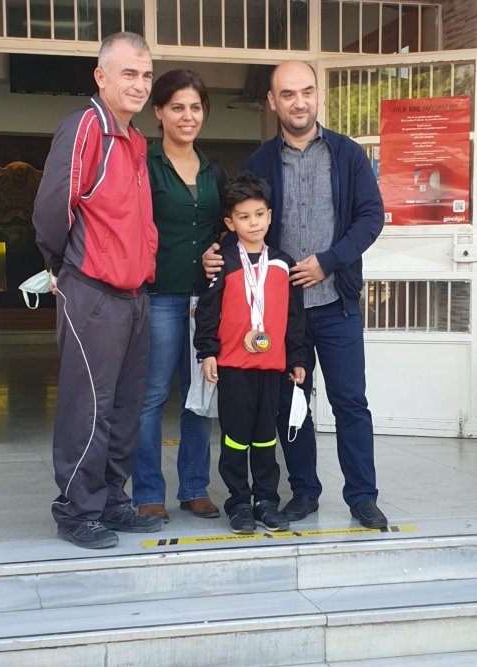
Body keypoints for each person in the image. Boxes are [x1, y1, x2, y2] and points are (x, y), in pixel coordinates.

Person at [203, 60, 387, 529]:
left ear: (317, 94)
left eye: (306, 91)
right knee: (292, 403)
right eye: (288, 94)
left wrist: (330, 259)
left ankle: (362, 496)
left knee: (350, 402)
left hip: (337, 303)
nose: (299, 102)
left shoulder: (347, 154)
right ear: (272, 101)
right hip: (282, 315)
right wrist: (217, 252)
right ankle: (304, 491)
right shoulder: (260, 161)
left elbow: (371, 216)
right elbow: (244, 220)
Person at [33, 32, 163, 549]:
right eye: (129, 73)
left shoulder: (135, 139)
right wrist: (64, 266)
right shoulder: (85, 126)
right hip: (92, 291)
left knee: (124, 407)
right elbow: (52, 209)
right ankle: (76, 510)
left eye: (146, 75)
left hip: (134, 296)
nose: (140, 84)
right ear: (101, 76)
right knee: (88, 405)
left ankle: (111, 501)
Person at [131, 69, 228, 523]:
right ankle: (148, 492)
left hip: (204, 300)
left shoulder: (214, 171)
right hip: (158, 296)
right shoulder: (144, 165)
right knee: (151, 397)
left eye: (195, 107)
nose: (187, 117)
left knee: (200, 393)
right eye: (177, 107)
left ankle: (194, 488)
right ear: (158, 111)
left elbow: (226, 229)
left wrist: (217, 250)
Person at [194, 172, 307, 534]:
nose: (253, 223)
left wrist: (297, 357)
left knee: (266, 435)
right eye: (244, 217)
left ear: (270, 216)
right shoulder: (224, 261)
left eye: (259, 214)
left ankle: (266, 501)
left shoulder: (283, 263)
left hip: (271, 366)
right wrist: (207, 352)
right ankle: (239, 502)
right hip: (233, 365)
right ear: (230, 223)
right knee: (235, 436)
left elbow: (294, 316)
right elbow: (207, 311)